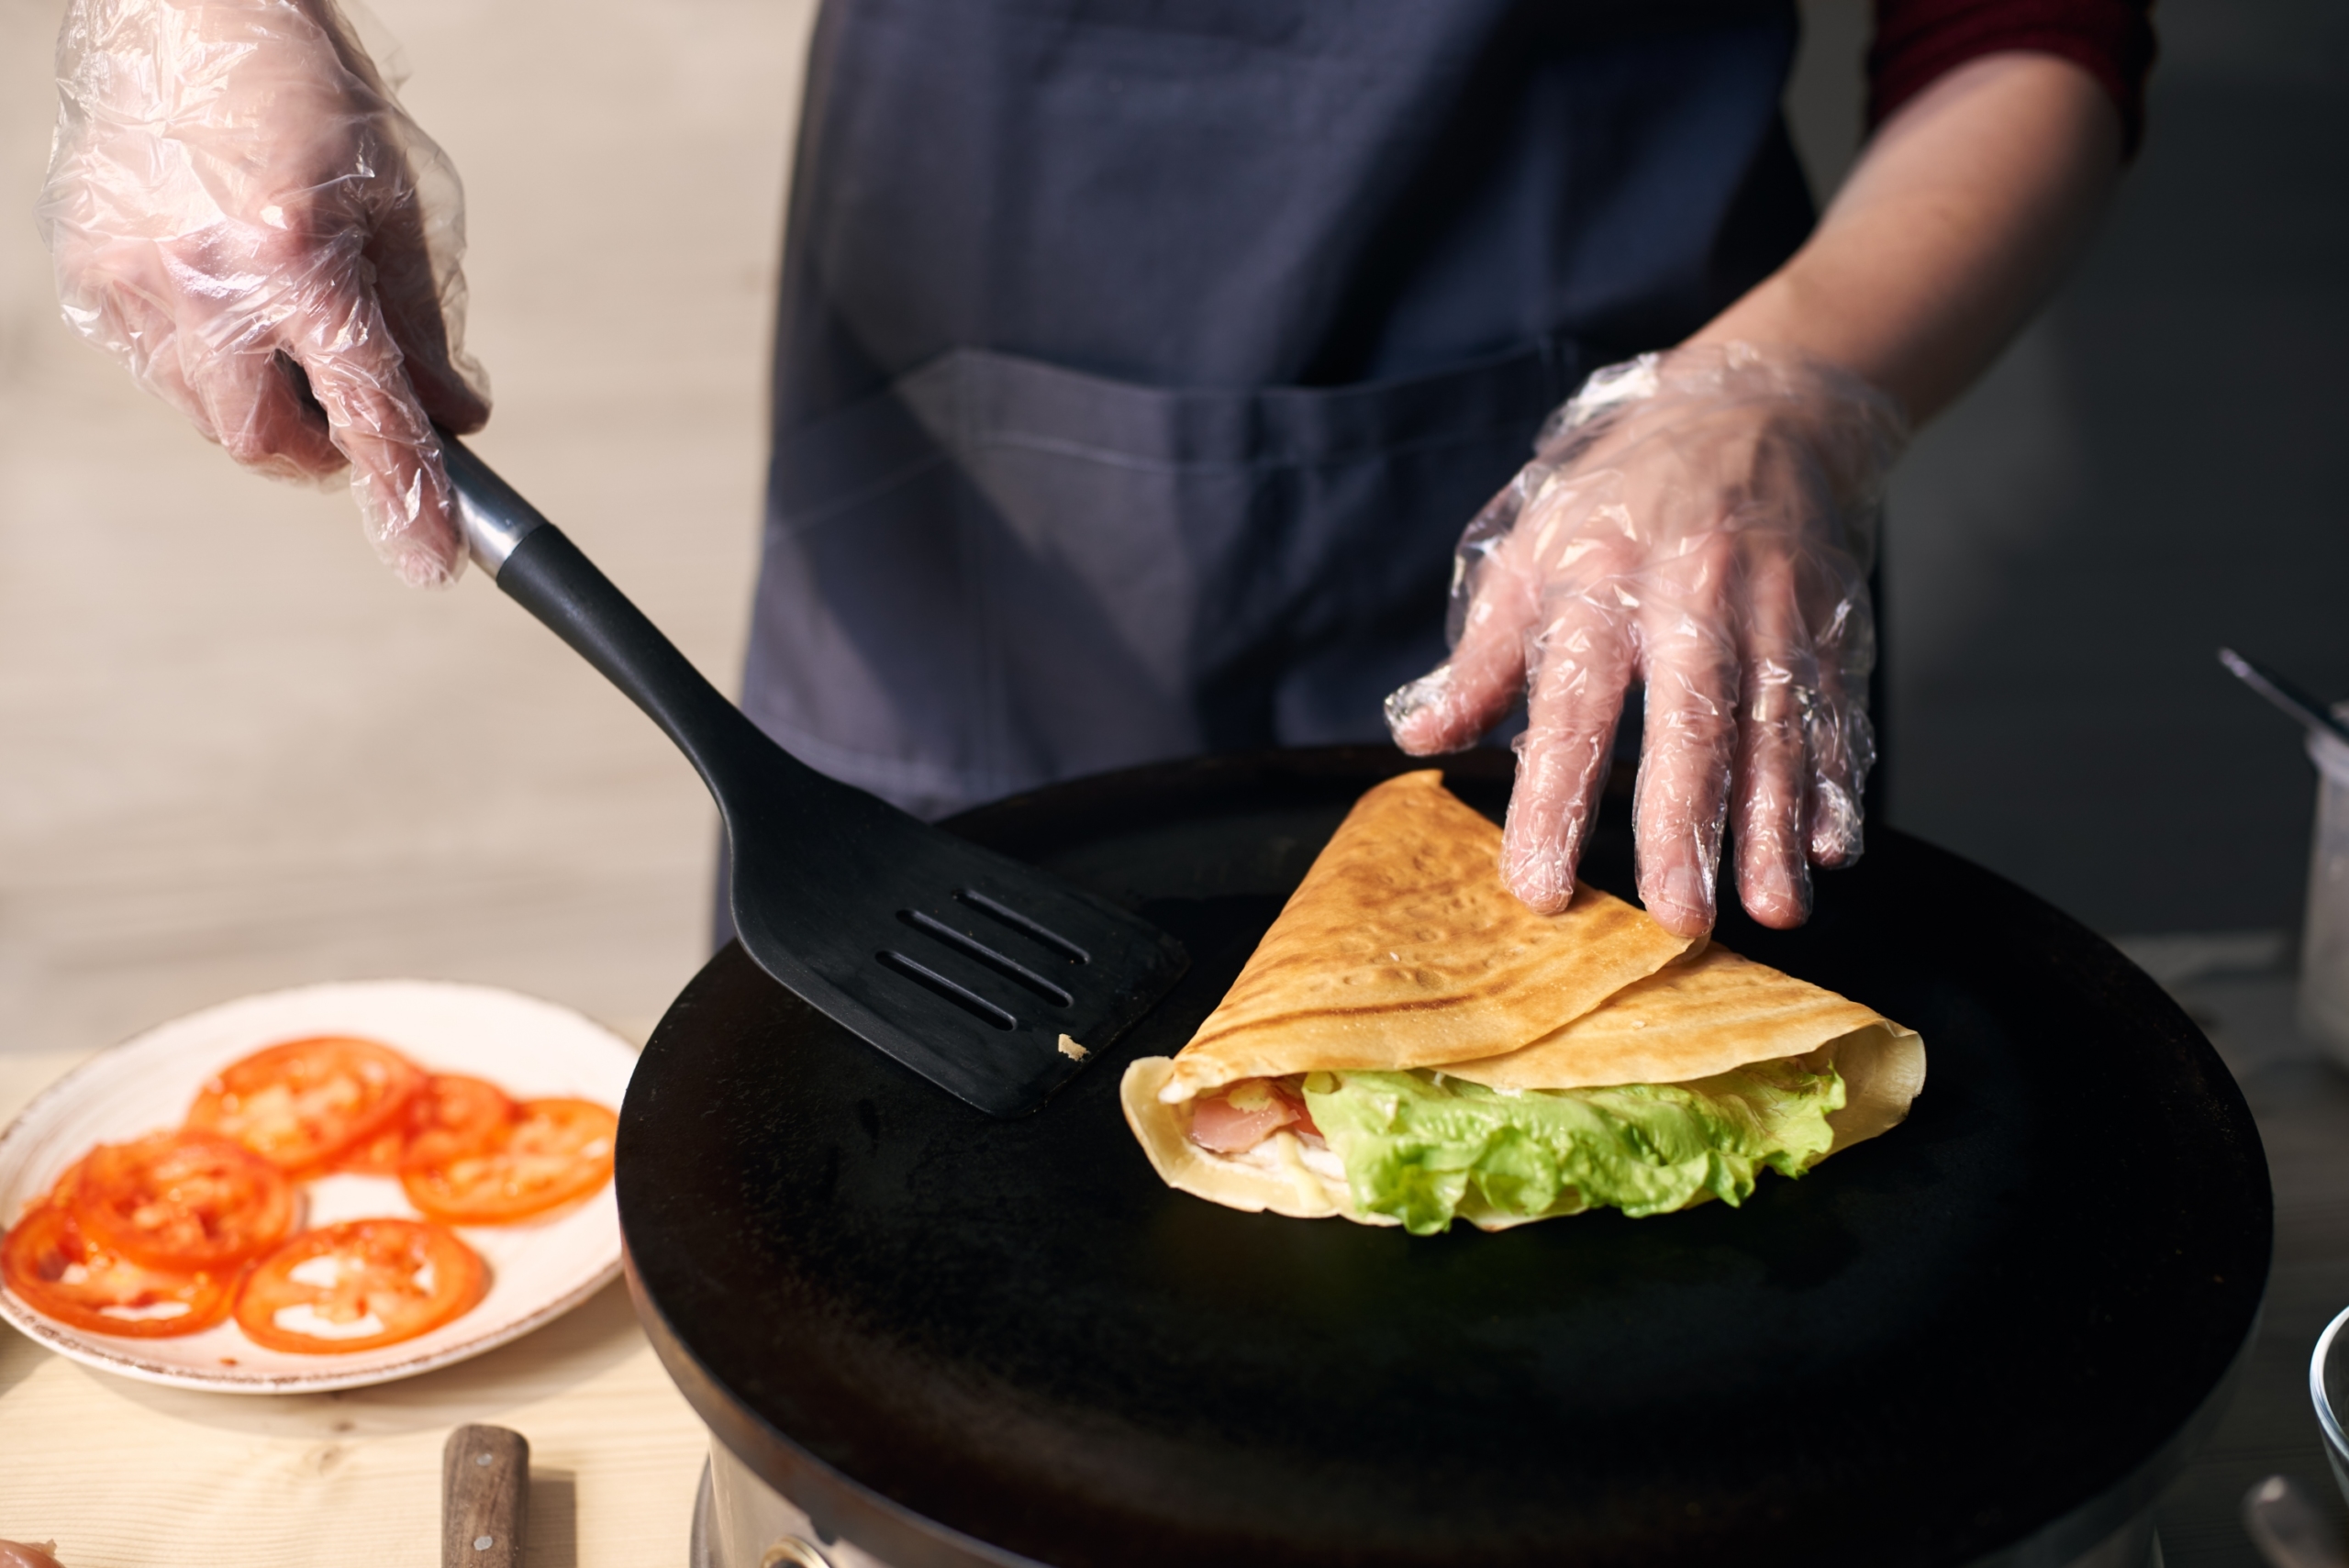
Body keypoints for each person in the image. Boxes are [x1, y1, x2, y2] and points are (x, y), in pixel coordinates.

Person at [37, 0, 2153, 939]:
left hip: (1659, 498)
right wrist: (200, 19)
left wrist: (1783, 392)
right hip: (968, 456)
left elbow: (2025, 30)